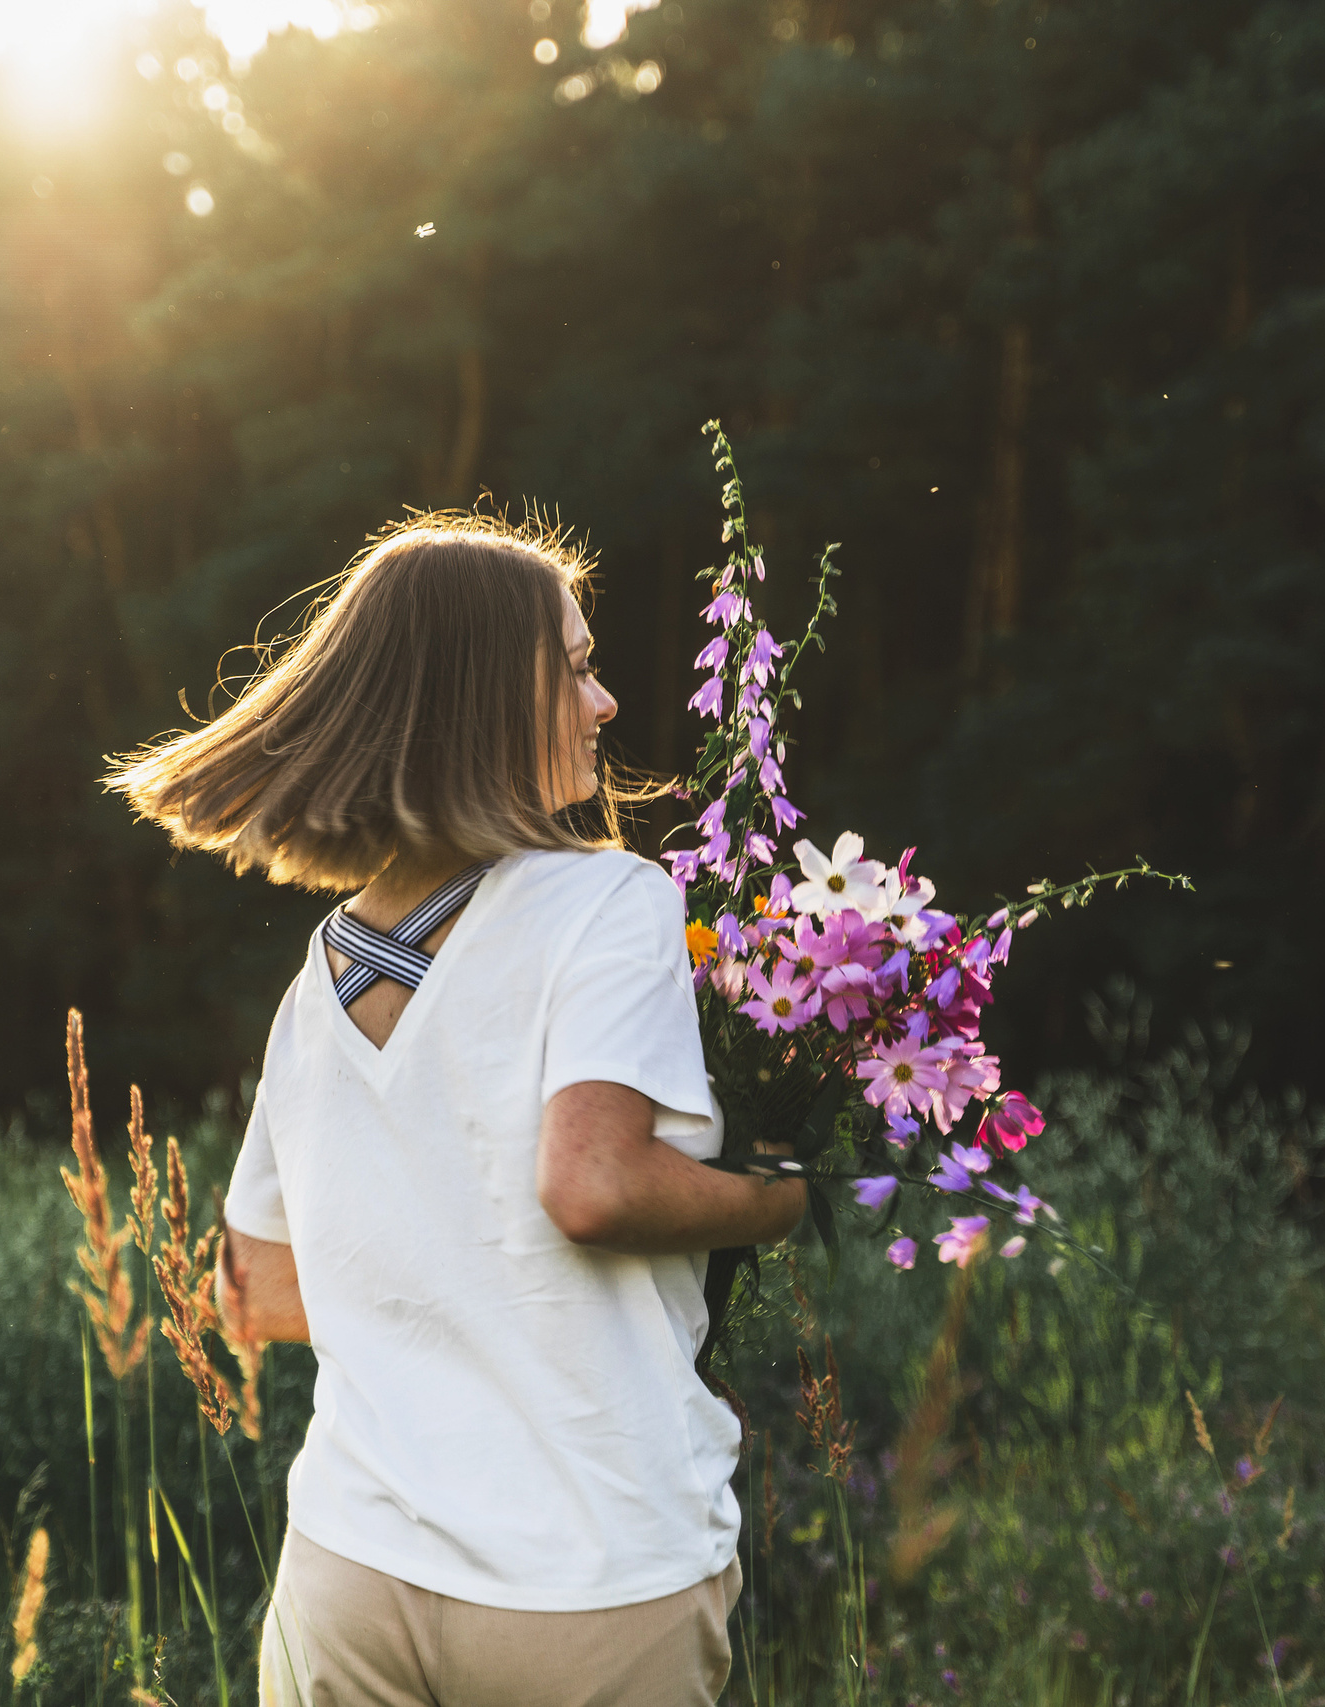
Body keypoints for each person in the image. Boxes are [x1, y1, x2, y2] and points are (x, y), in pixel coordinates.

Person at [111, 513, 805, 1706]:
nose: (608, 704)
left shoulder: (319, 974)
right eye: (578, 668)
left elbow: (257, 1296)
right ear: (488, 697)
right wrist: (783, 1198)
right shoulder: (610, 900)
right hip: (584, 1575)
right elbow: (591, 1186)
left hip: (347, 1569)